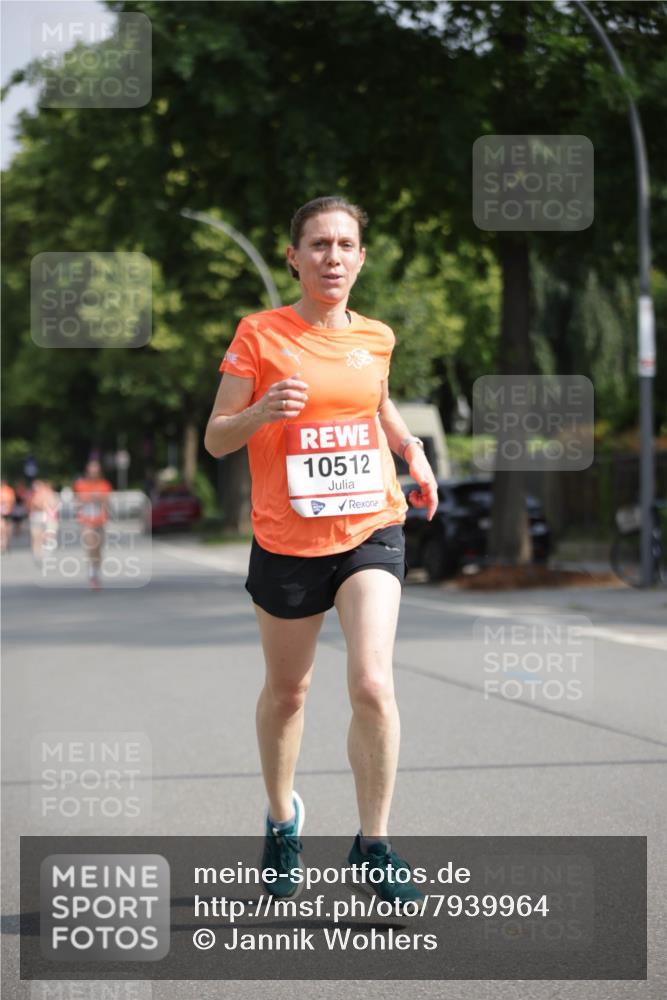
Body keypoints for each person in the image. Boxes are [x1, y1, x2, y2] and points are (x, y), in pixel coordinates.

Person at [204, 196, 438, 906]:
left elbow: (374, 400)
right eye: (318, 244)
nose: (332, 257)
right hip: (287, 538)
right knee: (289, 693)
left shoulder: (377, 336)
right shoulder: (259, 334)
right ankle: (282, 821)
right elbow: (216, 437)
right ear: (294, 257)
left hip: (371, 525)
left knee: (372, 683)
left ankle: (375, 844)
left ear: (360, 258)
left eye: (345, 245)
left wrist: (410, 448)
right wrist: (259, 411)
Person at [73, 459, 113, 589]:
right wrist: (87, 499)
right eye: (91, 470)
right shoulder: (81, 485)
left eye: (96, 470)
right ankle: (92, 573)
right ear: (88, 471)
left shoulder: (105, 485)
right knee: (91, 545)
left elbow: (108, 502)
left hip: (100, 521)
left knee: (98, 549)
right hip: (86, 521)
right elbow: (77, 502)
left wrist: (99, 499)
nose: (93, 473)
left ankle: (96, 572)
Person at [28, 480, 60, 564]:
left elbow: (53, 506)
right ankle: (37, 553)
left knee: (46, 535)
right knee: (37, 535)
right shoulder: (35, 495)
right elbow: (32, 505)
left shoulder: (49, 494)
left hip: (47, 517)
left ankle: (44, 551)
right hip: (38, 516)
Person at [1, 480, 16, 553]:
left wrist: (8, 506)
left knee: (6, 529)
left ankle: (6, 543)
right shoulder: (8, 490)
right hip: (4, 511)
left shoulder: (9, 490)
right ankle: (3, 544)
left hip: (7, 511)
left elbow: (12, 501)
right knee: (3, 528)